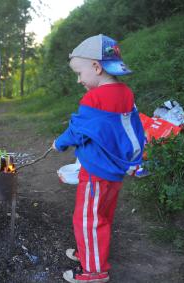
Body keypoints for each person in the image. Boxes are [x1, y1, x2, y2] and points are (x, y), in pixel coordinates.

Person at [52, 34, 145, 283]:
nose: (79, 80)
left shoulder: (94, 98)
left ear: (96, 67)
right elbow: (123, 129)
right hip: (114, 172)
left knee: (87, 220)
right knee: (102, 216)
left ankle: (94, 272)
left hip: (96, 171)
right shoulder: (126, 93)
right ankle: (88, 253)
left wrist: (59, 143)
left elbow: (78, 130)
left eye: (80, 73)